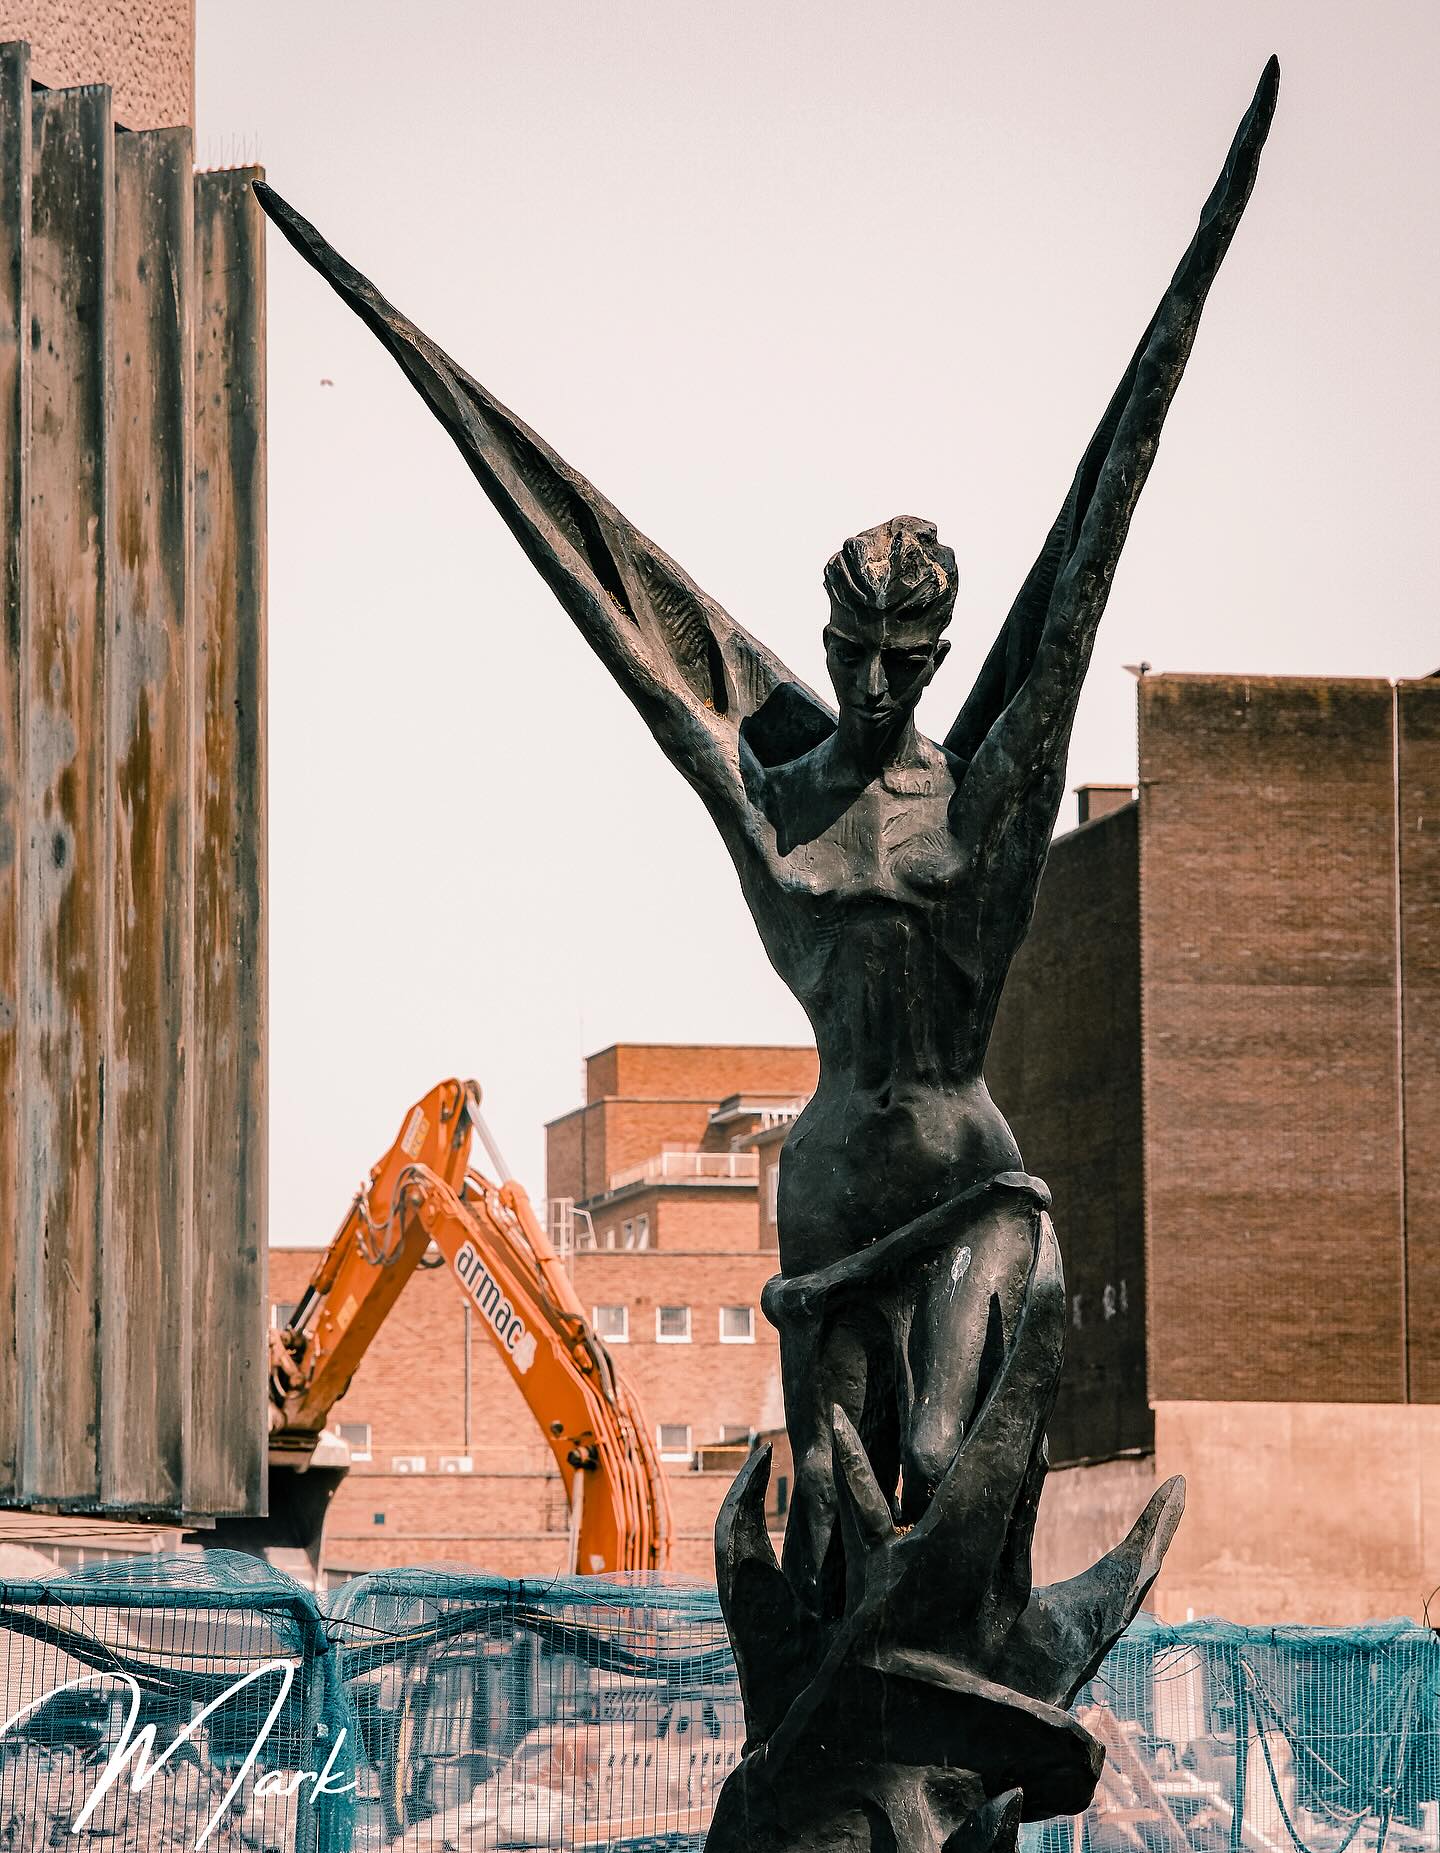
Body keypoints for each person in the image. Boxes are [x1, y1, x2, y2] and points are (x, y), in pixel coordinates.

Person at [254, 58, 1277, 1616]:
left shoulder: (983, 809)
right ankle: (827, 1732)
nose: (868, 687)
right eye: (850, 652)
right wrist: (394, 327)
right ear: (826, 636)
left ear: (936, 660)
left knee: (935, 1457)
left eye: (900, 663)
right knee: (834, 1535)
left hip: (966, 1185)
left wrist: (1200, 256)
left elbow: (1089, 549)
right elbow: (606, 583)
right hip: (827, 1193)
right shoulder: (772, 797)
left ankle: (978, 1673)